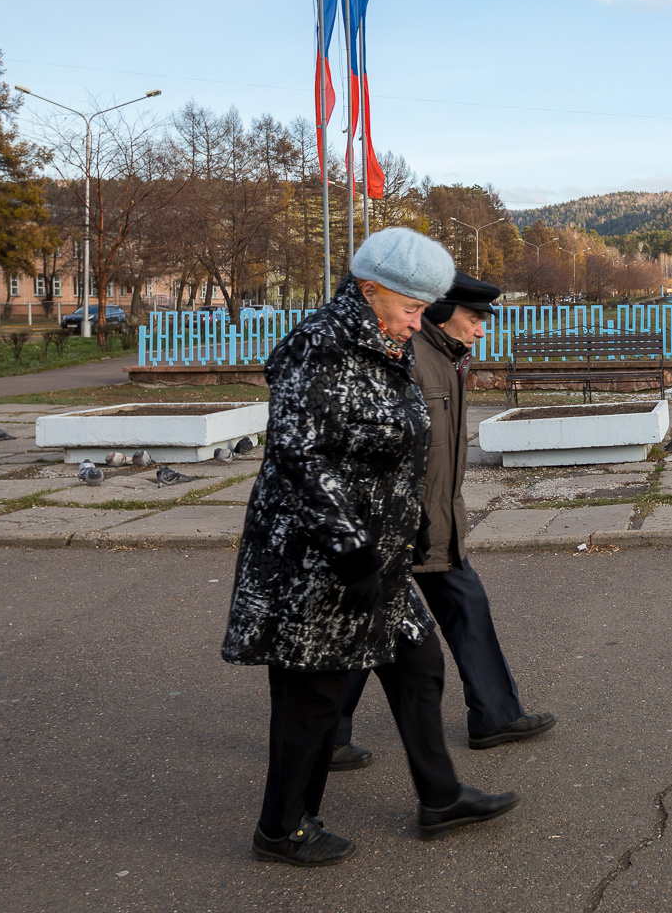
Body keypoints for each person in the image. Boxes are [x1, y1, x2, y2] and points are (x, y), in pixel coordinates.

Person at [221, 229, 519, 867]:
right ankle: (281, 829)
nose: (422, 319)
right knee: (313, 698)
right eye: (414, 306)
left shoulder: (384, 342)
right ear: (370, 288)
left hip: (376, 556)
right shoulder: (323, 345)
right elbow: (301, 456)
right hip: (323, 559)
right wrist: (350, 548)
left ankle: (440, 797)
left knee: (419, 663)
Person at [331, 272, 555, 769]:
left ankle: (495, 715)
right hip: (402, 523)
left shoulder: (445, 359)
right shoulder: (412, 359)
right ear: (440, 311)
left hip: (435, 518)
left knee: (461, 605)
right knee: (373, 626)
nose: (481, 331)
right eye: (474, 319)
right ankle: (326, 736)